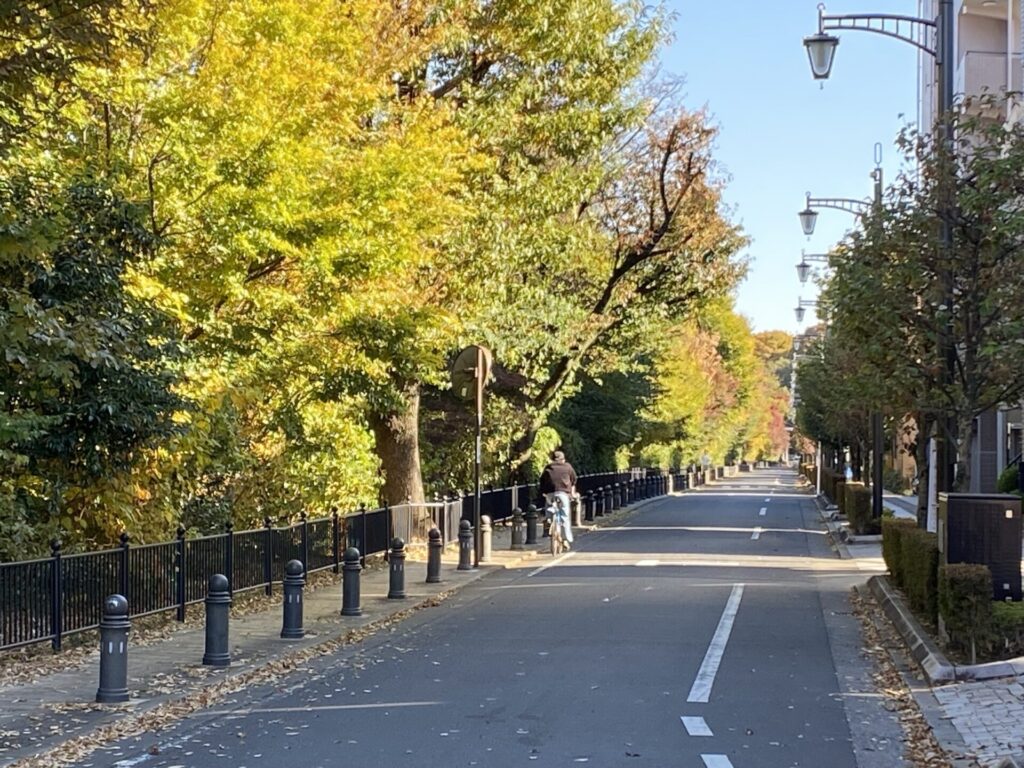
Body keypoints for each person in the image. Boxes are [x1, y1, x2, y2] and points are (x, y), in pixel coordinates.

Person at [539, 450, 577, 548]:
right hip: (563, 494)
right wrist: (572, 493)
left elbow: (542, 480)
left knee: (549, 507)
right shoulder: (568, 467)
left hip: (550, 493)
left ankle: (548, 519)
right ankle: (565, 538)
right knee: (564, 516)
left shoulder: (548, 467)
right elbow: (573, 480)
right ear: (563, 459)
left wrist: (543, 492)